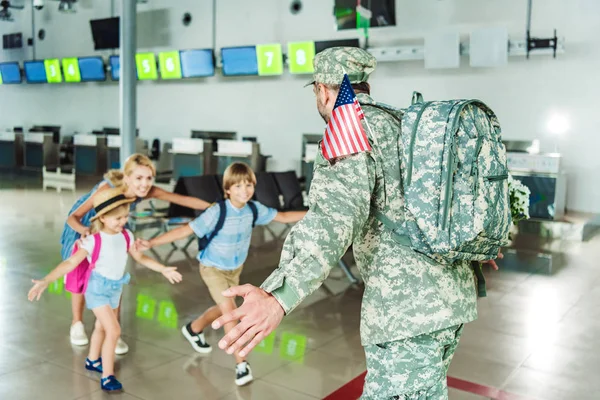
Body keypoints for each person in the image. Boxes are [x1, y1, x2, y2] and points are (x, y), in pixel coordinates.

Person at [210, 47, 500, 400]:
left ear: (323, 90)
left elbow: (333, 218)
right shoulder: (403, 123)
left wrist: (278, 295)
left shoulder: (349, 128)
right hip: (452, 294)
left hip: (407, 310)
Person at [135, 162, 306, 386]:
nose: (244, 190)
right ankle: (241, 364)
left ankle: (193, 328)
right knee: (230, 310)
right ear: (227, 189)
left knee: (224, 307)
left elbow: (283, 217)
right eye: (237, 186)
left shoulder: (253, 209)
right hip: (212, 268)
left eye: (248, 185)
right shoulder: (217, 211)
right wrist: (152, 242)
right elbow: (186, 230)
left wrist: (316, 214)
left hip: (234, 269)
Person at [29, 188, 183, 392]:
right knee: (114, 329)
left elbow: (140, 257)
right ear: (102, 217)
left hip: (115, 288)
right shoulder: (93, 240)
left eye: (126, 216)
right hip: (97, 289)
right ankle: (107, 376)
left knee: (102, 327)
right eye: (117, 218)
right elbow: (70, 263)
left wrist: (163, 268)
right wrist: (46, 280)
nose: (123, 221)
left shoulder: (126, 235)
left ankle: (93, 360)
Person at [61, 153, 210, 353]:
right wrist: (85, 232)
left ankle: (113, 333)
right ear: (127, 177)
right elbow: (73, 217)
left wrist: (216, 208)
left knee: (113, 277)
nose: (145, 184)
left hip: (114, 226)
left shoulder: (148, 191)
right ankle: (77, 323)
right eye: (139, 178)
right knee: (80, 275)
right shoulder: (108, 190)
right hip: (85, 225)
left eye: (149, 178)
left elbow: (183, 200)